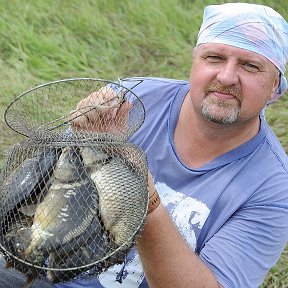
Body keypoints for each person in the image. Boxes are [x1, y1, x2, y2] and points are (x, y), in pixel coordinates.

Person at [57, 2, 288, 288]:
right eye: (214, 57)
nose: (227, 77)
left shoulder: (273, 189)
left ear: (275, 87)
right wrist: (80, 144)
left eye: (250, 65)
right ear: (194, 62)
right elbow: (49, 190)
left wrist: (144, 195)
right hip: (51, 269)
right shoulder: (129, 101)